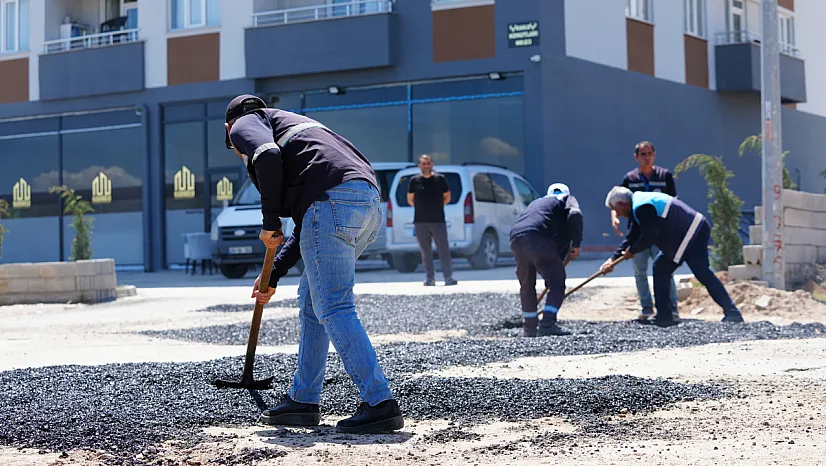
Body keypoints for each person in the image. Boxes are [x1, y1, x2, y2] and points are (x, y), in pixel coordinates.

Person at [224, 94, 403, 434]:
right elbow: (309, 227)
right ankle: (304, 401)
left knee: (333, 305)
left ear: (228, 128)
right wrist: (273, 273)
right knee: (312, 301)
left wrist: (269, 221)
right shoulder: (297, 126)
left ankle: (381, 403)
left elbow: (266, 155)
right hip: (365, 204)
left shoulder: (245, 124)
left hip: (332, 204)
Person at [600, 186, 745, 326]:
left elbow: (650, 236)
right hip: (687, 232)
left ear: (621, 204)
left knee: (696, 271)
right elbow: (633, 235)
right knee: (663, 267)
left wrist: (633, 250)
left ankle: (730, 312)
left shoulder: (642, 207)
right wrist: (612, 259)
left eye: (615, 210)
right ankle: (665, 315)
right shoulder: (638, 205)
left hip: (691, 231)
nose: (617, 214)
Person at [610, 141, 680, 322]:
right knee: (640, 271)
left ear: (654, 155)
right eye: (643, 154)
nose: (646, 157)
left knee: (665, 269)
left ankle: (671, 307)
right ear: (636, 157)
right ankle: (646, 307)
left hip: (661, 233)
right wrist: (614, 217)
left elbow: (674, 203)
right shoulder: (630, 179)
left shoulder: (665, 176)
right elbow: (617, 199)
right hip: (638, 232)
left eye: (649, 153)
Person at [510, 182, 582, 337]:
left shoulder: (537, 203)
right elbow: (575, 214)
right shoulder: (566, 199)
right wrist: (576, 244)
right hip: (538, 237)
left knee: (527, 285)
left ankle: (529, 329)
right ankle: (547, 324)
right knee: (557, 282)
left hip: (516, 235)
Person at [407, 154, 457, 286]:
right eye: (423, 163)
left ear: (432, 164)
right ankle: (430, 278)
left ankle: (448, 278)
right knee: (426, 252)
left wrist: (436, 207)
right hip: (420, 222)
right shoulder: (414, 181)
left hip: (438, 221)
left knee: (443, 250)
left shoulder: (440, 179)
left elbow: (447, 197)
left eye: (428, 163)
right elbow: (410, 199)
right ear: (419, 166)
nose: (426, 166)